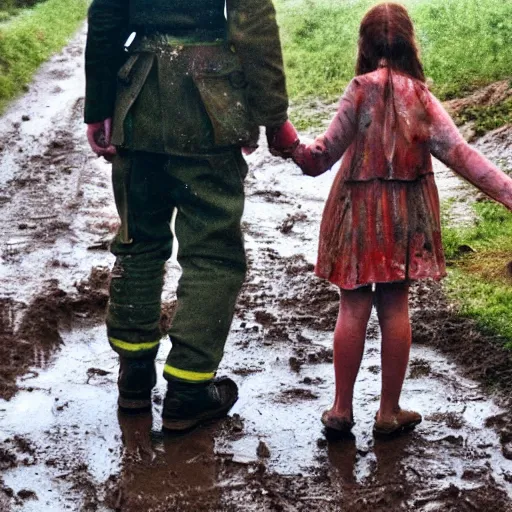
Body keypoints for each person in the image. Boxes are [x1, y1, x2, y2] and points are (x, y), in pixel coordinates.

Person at [291, 2, 512, 437]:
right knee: (395, 306)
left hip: (354, 214)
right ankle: (388, 412)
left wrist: (288, 142)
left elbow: (320, 159)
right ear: (409, 43)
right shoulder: (422, 98)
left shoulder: (359, 89)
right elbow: (461, 156)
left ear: (366, 45)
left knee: (352, 305)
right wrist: (508, 193)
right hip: (405, 219)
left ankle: (340, 410)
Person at [84, 0, 298, 431]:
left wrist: (99, 108)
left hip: (138, 100)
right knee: (213, 253)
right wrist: (273, 118)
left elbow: (105, 17)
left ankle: (134, 376)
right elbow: (253, 25)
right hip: (209, 107)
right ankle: (188, 389)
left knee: (138, 243)